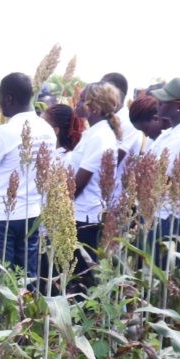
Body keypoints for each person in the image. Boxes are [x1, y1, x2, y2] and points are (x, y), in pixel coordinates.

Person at [0, 73, 55, 287]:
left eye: (1, 97)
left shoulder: (5, 132)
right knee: (27, 280)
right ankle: (25, 320)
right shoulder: (48, 130)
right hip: (32, 215)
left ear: (9, 98)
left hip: (1, 216)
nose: (0, 102)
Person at [68, 82, 123, 290]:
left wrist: (59, 206)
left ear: (94, 107)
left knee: (80, 279)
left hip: (85, 218)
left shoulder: (100, 137)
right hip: (81, 214)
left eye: (82, 99)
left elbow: (79, 182)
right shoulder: (94, 133)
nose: (78, 103)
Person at [146, 77, 180, 250]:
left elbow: (160, 176)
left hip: (171, 220)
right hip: (160, 214)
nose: (159, 102)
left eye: (165, 99)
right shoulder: (170, 134)